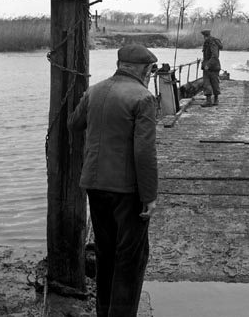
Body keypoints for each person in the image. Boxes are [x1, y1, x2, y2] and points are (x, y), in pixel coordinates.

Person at [68, 43, 158, 317]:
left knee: (106, 255)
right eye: (151, 71)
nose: (151, 76)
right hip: (127, 191)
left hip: (95, 187)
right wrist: (149, 195)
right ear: (144, 70)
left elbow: (74, 124)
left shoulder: (94, 91)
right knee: (130, 260)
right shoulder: (143, 98)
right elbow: (144, 152)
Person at [201, 29, 223, 107]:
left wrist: (208, 65)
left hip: (212, 67)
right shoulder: (207, 43)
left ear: (206, 36)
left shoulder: (212, 43)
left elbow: (215, 56)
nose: (204, 38)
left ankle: (215, 100)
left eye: (204, 36)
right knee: (207, 83)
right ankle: (209, 101)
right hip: (209, 66)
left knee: (214, 83)